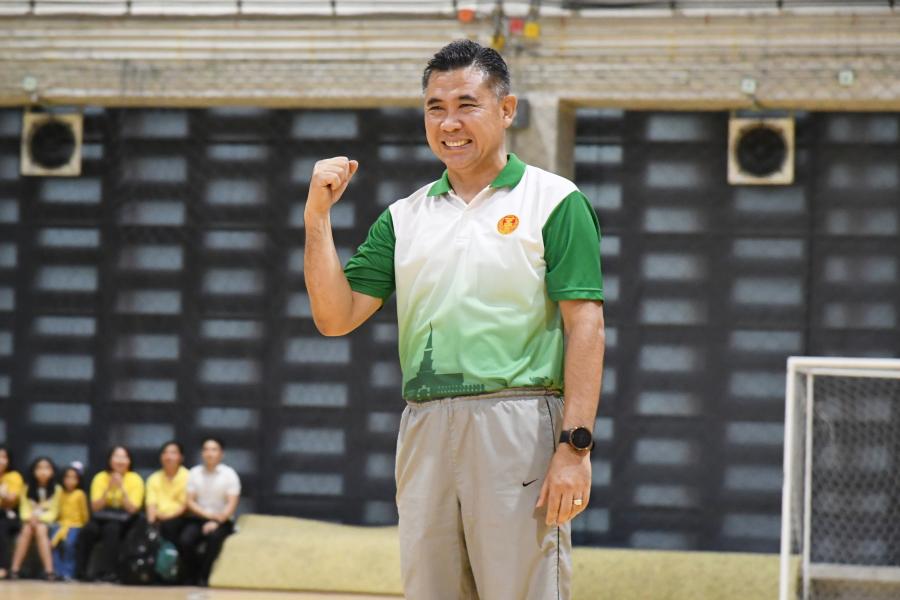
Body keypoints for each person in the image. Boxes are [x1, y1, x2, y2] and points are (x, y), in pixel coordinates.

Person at [304, 39, 605, 599]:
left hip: (519, 422)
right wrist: (317, 218)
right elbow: (335, 317)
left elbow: (585, 326)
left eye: (467, 105)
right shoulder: (403, 217)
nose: (449, 123)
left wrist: (575, 446)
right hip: (424, 426)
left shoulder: (555, 202)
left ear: (506, 110)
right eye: (435, 108)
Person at [75, 445, 145, 582]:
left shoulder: (135, 479)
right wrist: (108, 488)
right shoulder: (100, 477)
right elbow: (95, 507)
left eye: (124, 457)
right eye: (116, 456)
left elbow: (133, 509)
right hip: (102, 516)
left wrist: (121, 488)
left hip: (125, 519)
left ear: (129, 461)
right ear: (110, 460)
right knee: (88, 530)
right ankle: (81, 572)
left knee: (112, 530)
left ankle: (109, 573)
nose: (120, 461)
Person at [181, 437, 240, 586]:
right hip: (199, 517)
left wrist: (216, 521)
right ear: (202, 453)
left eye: (214, 450)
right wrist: (207, 515)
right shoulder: (194, 472)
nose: (210, 453)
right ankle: (192, 574)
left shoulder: (229, 474)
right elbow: (190, 501)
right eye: (206, 449)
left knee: (214, 539)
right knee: (185, 540)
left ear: (221, 454)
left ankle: (204, 576)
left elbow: (232, 504)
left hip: (222, 519)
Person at [10, 457, 60, 580]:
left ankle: (49, 571)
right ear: (33, 471)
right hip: (29, 522)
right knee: (27, 529)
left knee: (41, 529)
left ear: (52, 471)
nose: (43, 472)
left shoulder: (57, 489)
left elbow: (54, 512)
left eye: (47, 468)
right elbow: (23, 510)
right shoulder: (26, 488)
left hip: (49, 523)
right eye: (39, 468)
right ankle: (14, 570)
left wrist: (38, 518)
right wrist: (30, 518)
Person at [145, 441, 189, 555]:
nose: (169, 456)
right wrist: (151, 524)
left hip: (181, 517)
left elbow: (185, 506)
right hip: (158, 519)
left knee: (171, 527)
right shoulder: (153, 478)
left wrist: (166, 518)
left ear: (181, 457)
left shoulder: (189, 476)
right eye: (165, 453)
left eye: (173, 453)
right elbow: (151, 504)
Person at [50, 464, 89, 580]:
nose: (70, 480)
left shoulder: (80, 494)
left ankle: (68, 572)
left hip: (75, 525)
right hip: (60, 524)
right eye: (67, 477)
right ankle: (57, 571)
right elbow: (56, 509)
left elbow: (84, 513)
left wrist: (83, 524)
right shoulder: (60, 493)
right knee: (54, 544)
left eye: (74, 478)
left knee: (69, 545)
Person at [0, 446, 24, 580]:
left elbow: (11, 500)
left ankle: (2, 567)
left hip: (8, 514)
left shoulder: (14, 476)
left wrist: (4, 494)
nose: (0, 460)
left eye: (3, 457)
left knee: (1, 526)